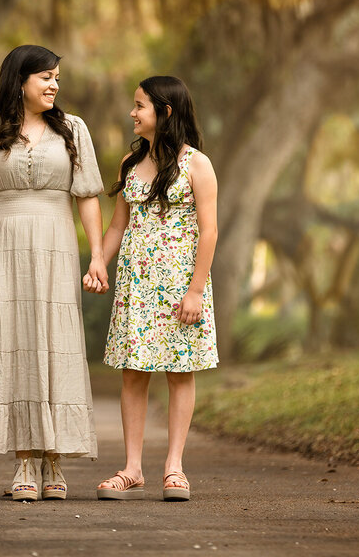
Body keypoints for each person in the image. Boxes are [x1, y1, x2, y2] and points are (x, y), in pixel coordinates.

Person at [0, 44, 108, 502]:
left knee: (54, 341)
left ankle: (53, 458)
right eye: (46, 77)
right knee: (12, 342)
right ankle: (23, 459)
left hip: (56, 241)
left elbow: (88, 195)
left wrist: (96, 254)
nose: (55, 85)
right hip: (1, 241)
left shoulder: (74, 128)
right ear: (20, 80)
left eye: (58, 77)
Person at [94, 75, 219, 502]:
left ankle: (175, 469)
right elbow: (117, 225)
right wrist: (98, 261)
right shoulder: (129, 165)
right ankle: (132, 468)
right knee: (134, 374)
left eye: (140, 106)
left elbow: (209, 231)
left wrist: (197, 290)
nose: (132, 113)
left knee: (179, 374)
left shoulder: (196, 164)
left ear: (164, 112)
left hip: (182, 286)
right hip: (137, 285)